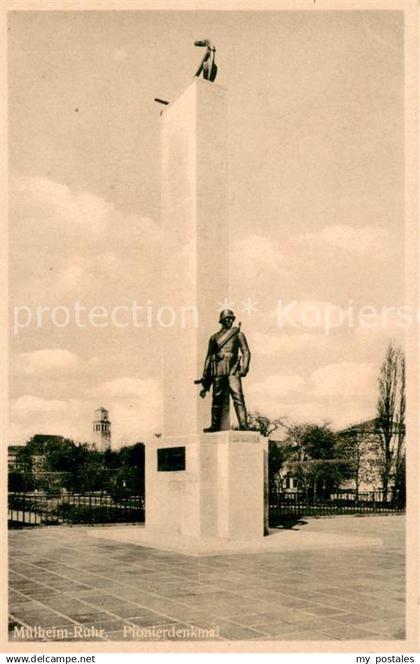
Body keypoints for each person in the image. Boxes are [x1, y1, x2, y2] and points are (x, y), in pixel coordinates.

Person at [198, 309, 250, 431]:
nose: (229, 320)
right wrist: (205, 375)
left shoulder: (238, 334)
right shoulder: (214, 338)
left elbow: (246, 351)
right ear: (221, 320)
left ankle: (243, 424)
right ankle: (214, 425)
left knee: (238, 396)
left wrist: (245, 367)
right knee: (217, 398)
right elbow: (209, 357)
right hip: (219, 369)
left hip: (233, 369)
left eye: (231, 318)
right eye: (227, 318)